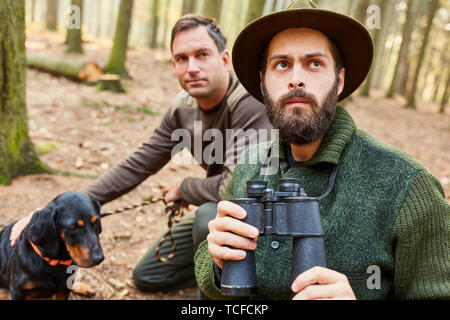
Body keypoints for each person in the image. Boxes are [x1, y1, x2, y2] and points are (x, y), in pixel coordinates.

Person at [194, 0, 450, 300]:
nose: (296, 78)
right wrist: (218, 265)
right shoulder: (251, 163)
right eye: (282, 64)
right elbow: (218, 284)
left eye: (314, 63)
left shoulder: (407, 186)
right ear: (263, 84)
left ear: (339, 81)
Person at [10, 14, 272, 293]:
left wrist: (185, 187)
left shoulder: (249, 104)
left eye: (202, 55)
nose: (192, 67)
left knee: (206, 215)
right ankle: (216, 273)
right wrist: (53, 210)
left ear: (223, 59)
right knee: (149, 275)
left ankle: (236, 288)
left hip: (262, 220)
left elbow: (236, 188)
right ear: (174, 64)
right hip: (225, 215)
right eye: (182, 58)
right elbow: (137, 164)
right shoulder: (183, 108)